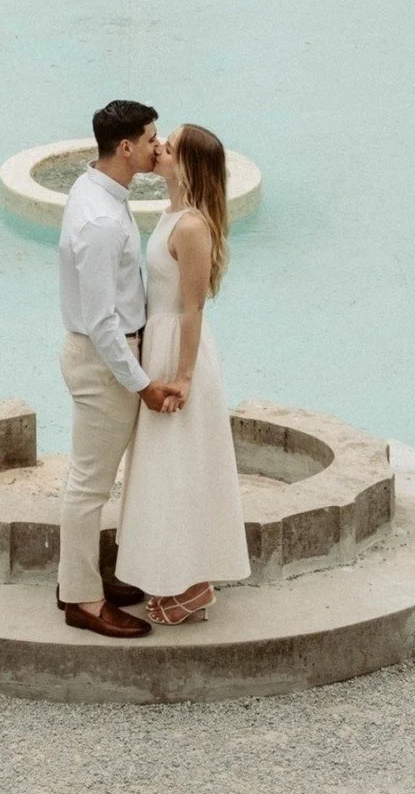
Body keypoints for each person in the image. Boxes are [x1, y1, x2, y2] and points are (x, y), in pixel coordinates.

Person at [113, 124, 249, 624]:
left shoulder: (191, 226)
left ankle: (197, 586)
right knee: (165, 468)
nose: (158, 151)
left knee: (183, 467)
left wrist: (185, 376)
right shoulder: (170, 214)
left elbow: (193, 308)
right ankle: (178, 575)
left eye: (168, 148)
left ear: (186, 166)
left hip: (178, 350)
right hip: (159, 343)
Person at [57, 99, 180, 639]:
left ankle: (78, 578)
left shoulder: (97, 190)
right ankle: (82, 600)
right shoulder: (102, 221)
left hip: (106, 356)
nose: (159, 146)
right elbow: (101, 321)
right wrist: (143, 384)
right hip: (105, 362)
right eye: (152, 138)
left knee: (90, 480)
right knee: (89, 486)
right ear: (126, 147)